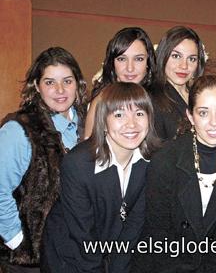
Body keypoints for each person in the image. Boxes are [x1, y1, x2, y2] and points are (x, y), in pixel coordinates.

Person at [42, 82, 158, 273]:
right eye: (119, 115)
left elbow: (134, 226)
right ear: (103, 122)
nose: (132, 124)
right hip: (68, 255)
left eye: (139, 114)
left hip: (111, 250)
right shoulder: (78, 164)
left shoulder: (151, 162)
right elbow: (82, 236)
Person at [132, 75, 216, 272]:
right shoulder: (166, 159)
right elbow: (158, 233)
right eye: (204, 113)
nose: (214, 122)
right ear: (190, 116)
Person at [0, 47, 87, 272]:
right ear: (37, 86)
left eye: (67, 81)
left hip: (79, 255)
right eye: (50, 82)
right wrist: (19, 243)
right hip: (33, 262)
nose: (60, 90)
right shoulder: (19, 130)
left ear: (77, 83)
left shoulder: (91, 125)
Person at [84, 27, 157, 139]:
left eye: (138, 59)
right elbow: (88, 149)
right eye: (122, 59)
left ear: (148, 62)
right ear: (112, 63)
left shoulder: (157, 98)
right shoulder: (102, 100)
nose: (130, 68)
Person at [150, 26, 206, 142]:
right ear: (163, 56)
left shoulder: (200, 95)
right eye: (176, 56)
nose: (184, 66)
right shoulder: (151, 98)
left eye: (191, 59)